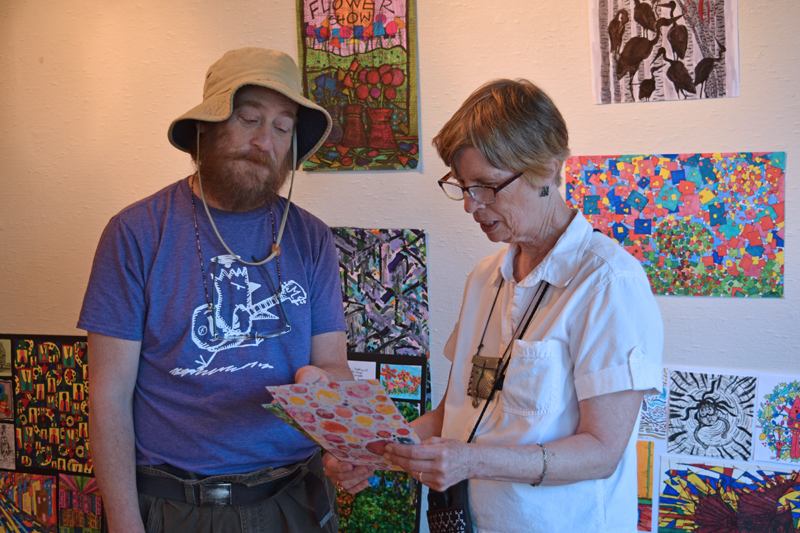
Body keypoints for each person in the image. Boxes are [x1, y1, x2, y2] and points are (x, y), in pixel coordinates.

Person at [331, 79, 664, 532]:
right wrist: (374, 452)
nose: (471, 205)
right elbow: (455, 414)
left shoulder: (608, 282)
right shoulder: (485, 277)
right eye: (464, 187)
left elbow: (602, 452)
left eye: (488, 186)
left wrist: (470, 461)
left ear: (547, 168)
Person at [78, 47, 353, 533]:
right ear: (205, 130)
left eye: (282, 127)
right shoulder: (137, 232)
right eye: (249, 119)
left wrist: (326, 388)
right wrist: (124, 523)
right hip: (173, 505)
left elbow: (333, 363)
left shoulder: (311, 237)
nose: (264, 141)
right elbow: (108, 394)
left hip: (297, 500)